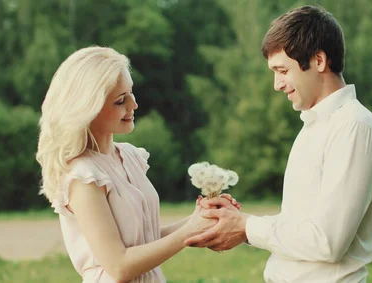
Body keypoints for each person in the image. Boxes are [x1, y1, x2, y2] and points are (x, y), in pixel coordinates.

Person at [185, 5, 372, 283]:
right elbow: (302, 226)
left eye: (282, 70)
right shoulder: (314, 125)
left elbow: (327, 242)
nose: (276, 84)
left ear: (318, 60)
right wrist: (238, 222)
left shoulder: (355, 127)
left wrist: (246, 226)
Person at [35, 46, 239, 283]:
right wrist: (189, 230)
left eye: (131, 93)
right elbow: (119, 267)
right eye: (120, 100)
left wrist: (200, 218)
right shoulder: (83, 176)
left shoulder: (131, 157)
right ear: (88, 107)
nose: (133, 105)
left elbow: (144, 242)